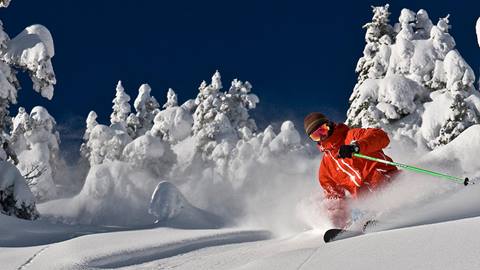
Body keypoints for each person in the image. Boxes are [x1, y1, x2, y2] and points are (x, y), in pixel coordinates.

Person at [304, 112, 398, 228]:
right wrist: (336, 223)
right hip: (368, 204)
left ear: (329, 125)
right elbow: (335, 200)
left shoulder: (352, 136)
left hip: (391, 183)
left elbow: (382, 137)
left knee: (379, 191)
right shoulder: (326, 168)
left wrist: (356, 147)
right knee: (359, 208)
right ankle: (367, 222)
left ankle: (390, 214)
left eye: (323, 130)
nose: (322, 136)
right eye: (316, 136)